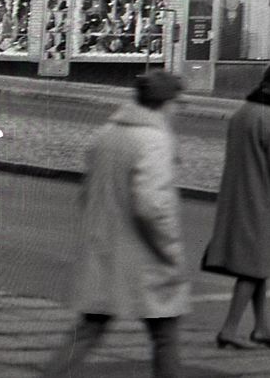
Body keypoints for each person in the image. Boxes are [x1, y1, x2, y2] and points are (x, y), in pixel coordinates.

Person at [38, 70, 188, 378]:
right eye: (177, 103)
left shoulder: (107, 133)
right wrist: (170, 250)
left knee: (89, 329)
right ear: (166, 103)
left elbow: (87, 193)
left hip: (104, 249)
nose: (178, 110)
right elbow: (152, 207)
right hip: (145, 257)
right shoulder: (155, 140)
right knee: (165, 333)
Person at [203, 59, 270, 349]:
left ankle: (261, 326)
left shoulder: (243, 112)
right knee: (253, 269)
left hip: (239, 198)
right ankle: (230, 329)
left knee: (259, 265)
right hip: (264, 204)